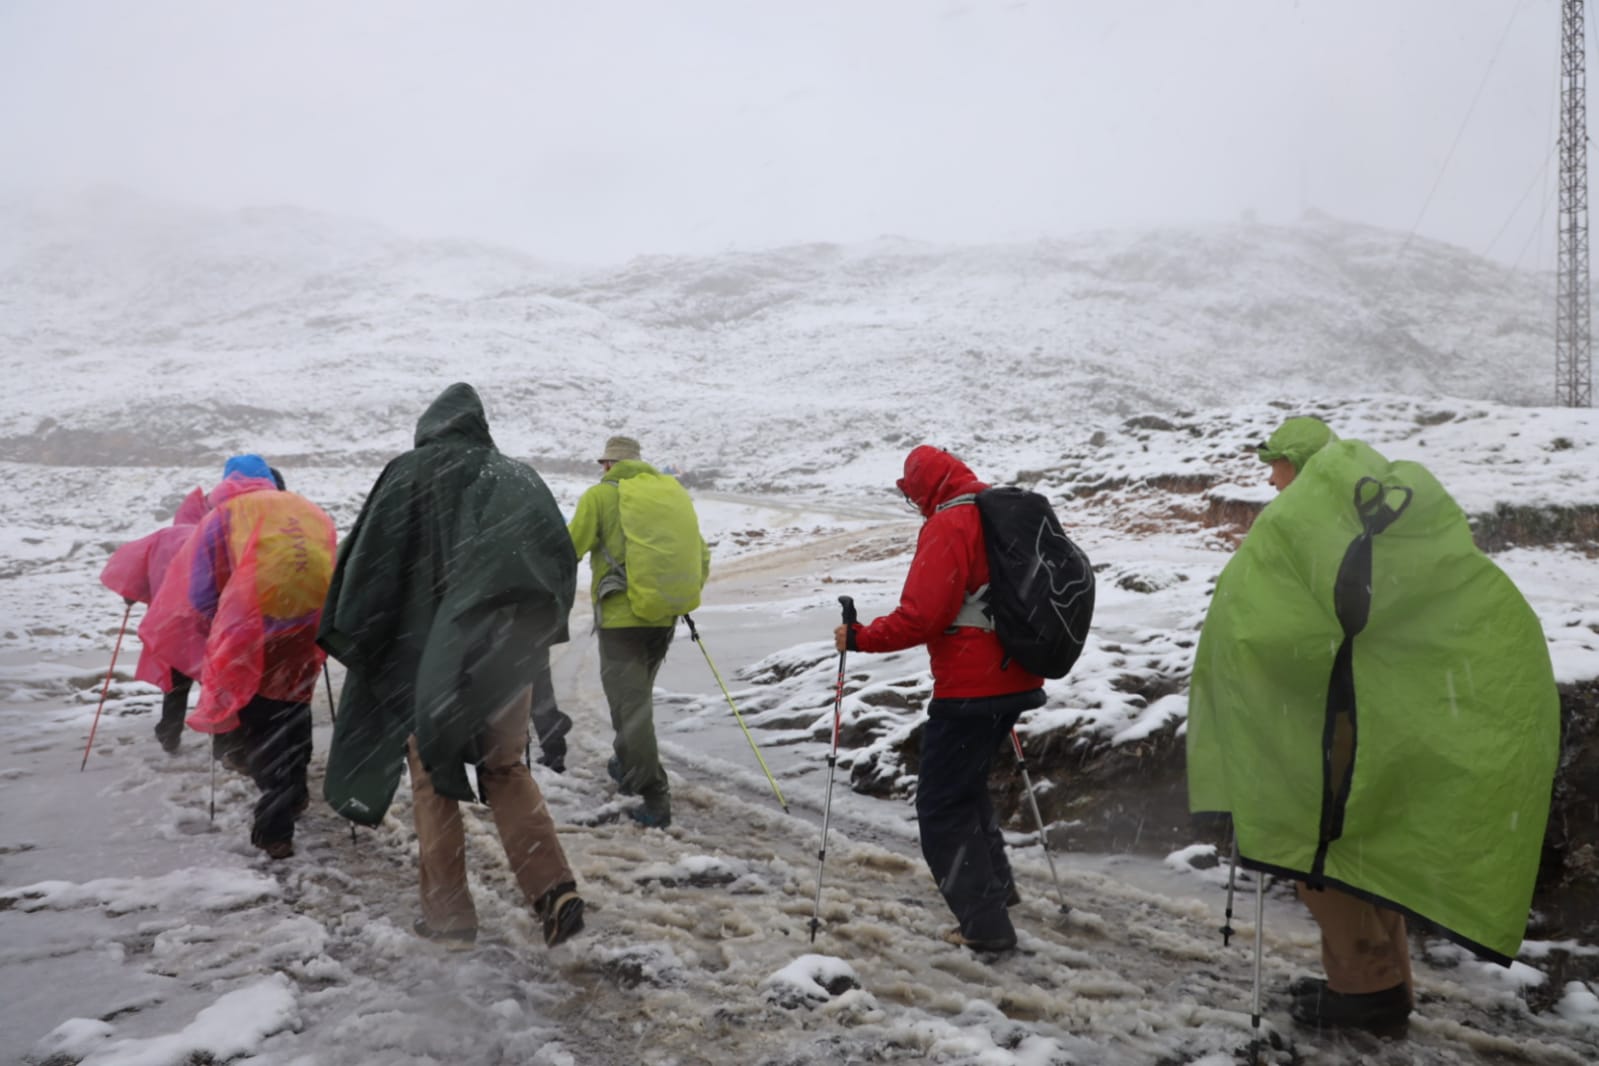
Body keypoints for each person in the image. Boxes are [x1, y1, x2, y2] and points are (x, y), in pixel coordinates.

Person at [1187, 416, 1560, 1032]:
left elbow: (1283, 633)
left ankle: (1366, 992)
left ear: (1299, 465)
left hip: (1328, 715)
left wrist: (1251, 667)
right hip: (1383, 711)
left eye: (1278, 469)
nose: (1272, 483)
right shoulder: (1380, 517)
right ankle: (1384, 981)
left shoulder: (1311, 524)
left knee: (1317, 845)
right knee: (1363, 840)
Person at [319, 383, 585, 949]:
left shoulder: (406, 476)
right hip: (504, 657)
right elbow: (555, 560)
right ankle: (554, 888)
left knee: (432, 778)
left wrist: (376, 635)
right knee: (506, 767)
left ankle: (449, 917)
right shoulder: (516, 478)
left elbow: (366, 566)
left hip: (426, 659)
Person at [834, 444, 1046, 954]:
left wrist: (861, 637)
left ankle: (985, 926)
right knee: (966, 789)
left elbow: (923, 615)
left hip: (971, 687)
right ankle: (996, 896)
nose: (915, 505)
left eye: (913, 495)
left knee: (939, 807)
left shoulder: (950, 524)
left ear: (926, 487)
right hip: (1018, 676)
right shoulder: (998, 514)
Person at [140, 454, 337, 859]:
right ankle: (295, 792)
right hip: (306, 629)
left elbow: (200, 594)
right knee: (293, 709)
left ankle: (275, 828)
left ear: (229, 482)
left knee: (259, 723)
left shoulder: (225, 515)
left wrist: (220, 631)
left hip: (253, 634)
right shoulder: (306, 509)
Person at [568, 434, 710, 830]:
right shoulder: (667, 495)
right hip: (664, 616)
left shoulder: (599, 497)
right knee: (636, 700)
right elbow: (701, 553)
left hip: (621, 620)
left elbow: (569, 547)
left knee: (630, 710)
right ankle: (627, 762)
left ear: (608, 464)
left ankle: (653, 796)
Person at [99, 486, 209, 753]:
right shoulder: (209, 536)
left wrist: (130, 597)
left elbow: (134, 570)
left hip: (169, 626)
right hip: (204, 623)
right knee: (214, 681)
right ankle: (223, 738)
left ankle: (169, 733)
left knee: (176, 685)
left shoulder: (163, 537)